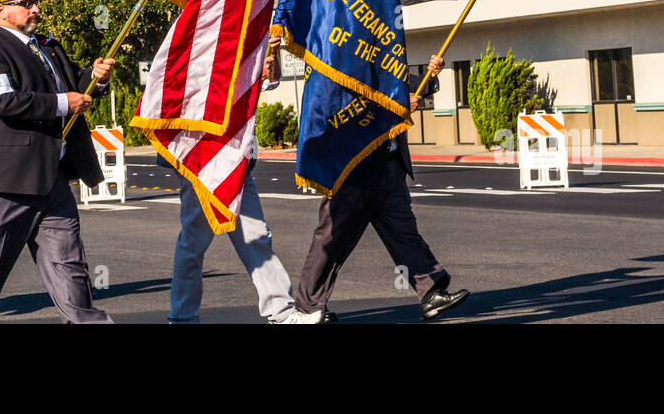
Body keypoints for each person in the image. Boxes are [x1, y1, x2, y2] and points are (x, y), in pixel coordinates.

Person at [0, 0, 114, 324]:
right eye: (26, 4)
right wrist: (63, 103)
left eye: (35, 2)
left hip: (53, 177)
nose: (36, 9)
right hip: (9, 181)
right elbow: (2, 101)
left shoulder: (49, 47)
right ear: (1, 11)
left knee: (70, 266)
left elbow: (77, 86)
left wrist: (97, 77)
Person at [284, 54, 470, 323]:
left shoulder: (380, 61)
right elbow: (348, 115)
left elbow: (410, 84)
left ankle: (430, 293)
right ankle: (307, 306)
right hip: (353, 171)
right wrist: (398, 106)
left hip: (389, 167)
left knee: (404, 234)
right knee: (331, 239)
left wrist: (431, 74)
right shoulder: (339, 67)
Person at [167, 34, 296, 324]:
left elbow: (271, 80)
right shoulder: (200, 34)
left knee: (256, 237)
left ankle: (282, 311)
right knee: (194, 242)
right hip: (204, 159)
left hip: (237, 160)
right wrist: (251, 73)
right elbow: (200, 88)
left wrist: (269, 60)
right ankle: (182, 317)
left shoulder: (244, 30)